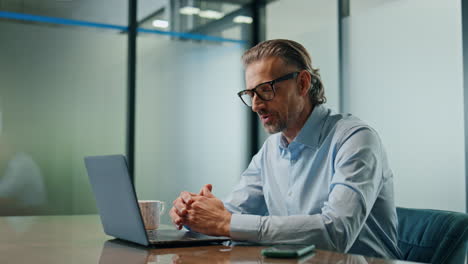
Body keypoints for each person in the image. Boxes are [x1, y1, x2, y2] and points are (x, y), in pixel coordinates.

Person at [169, 39, 402, 259]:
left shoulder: (355, 139)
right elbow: (230, 214)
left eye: (265, 90)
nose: (255, 105)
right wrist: (194, 213)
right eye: (250, 94)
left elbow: (336, 233)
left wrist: (223, 222)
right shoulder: (270, 150)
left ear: (302, 83)